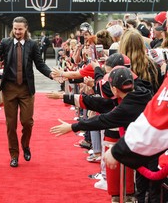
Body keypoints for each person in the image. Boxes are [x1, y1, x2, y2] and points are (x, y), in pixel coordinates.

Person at [50, 66, 153, 202]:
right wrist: (66, 97)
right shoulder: (139, 93)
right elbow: (102, 103)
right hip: (151, 146)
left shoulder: (128, 106)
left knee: (149, 189)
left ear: (115, 89)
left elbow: (104, 119)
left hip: (151, 150)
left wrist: (73, 126)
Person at [0, 16, 53, 167]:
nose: (17, 32)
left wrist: (51, 74)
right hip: (9, 89)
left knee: (27, 122)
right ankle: (14, 154)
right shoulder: (6, 43)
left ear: (26, 28)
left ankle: (25, 145)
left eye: (20, 29)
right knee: (11, 124)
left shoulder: (32, 44)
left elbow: (40, 64)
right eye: (15, 29)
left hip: (26, 89)